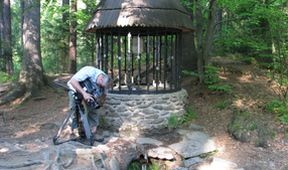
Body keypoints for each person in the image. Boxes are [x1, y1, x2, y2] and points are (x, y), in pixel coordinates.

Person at [67, 66, 110, 138]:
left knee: (94, 108)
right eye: (100, 84)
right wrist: (84, 94)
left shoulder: (105, 81)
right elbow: (73, 81)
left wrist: (100, 102)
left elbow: (104, 94)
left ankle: (92, 132)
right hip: (75, 88)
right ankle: (74, 129)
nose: (100, 86)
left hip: (90, 90)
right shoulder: (88, 71)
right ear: (101, 78)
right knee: (74, 108)